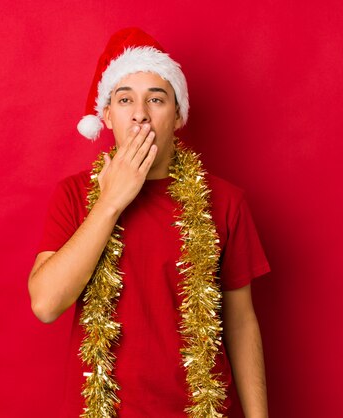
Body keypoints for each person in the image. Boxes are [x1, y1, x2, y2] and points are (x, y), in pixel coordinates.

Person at [28, 27, 271, 418]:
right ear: (106, 116)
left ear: (177, 116)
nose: (140, 113)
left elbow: (241, 322)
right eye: (125, 99)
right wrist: (109, 204)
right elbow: (46, 304)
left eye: (156, 99)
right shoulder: (74, 196)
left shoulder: (225, 201)